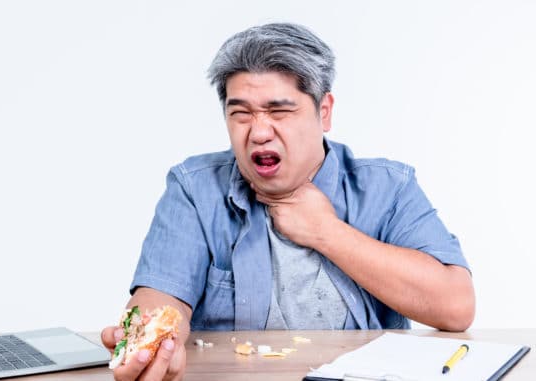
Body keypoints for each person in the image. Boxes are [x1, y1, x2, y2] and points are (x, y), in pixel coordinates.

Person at [100, 22, 475, 381]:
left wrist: (327, 232)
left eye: (279, 110)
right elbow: (161, 295)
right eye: (241, 113)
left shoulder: (387, 187)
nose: (259, 132)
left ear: (323, 111)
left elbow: (456, 307)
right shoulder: (195, 188)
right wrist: (150, 343)